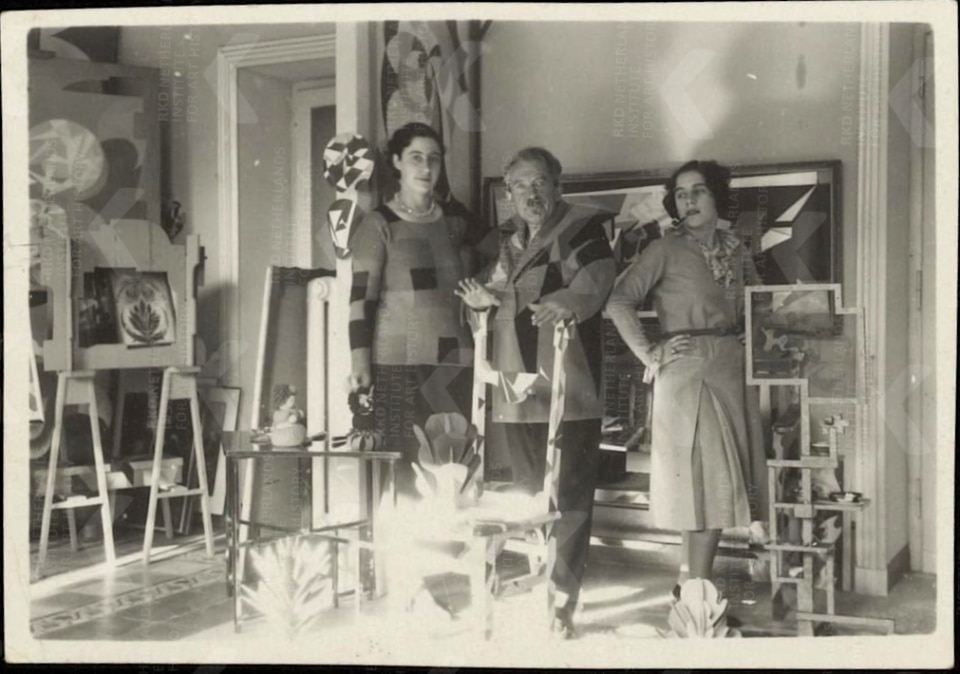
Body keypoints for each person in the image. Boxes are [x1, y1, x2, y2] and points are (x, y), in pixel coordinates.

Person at [456, 147, 616, 639]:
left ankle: (561, 604)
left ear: (557, 186)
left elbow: (597, 279)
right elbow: (482, 299)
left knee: (568, 500)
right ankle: (533, 588)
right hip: (514, 393)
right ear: (509, 194)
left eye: (540, 182)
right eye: (521, 185)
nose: (532, 193)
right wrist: (478, 304)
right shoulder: (503, 244)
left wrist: (565, 301)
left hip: (569, 389)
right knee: (526, 499)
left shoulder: (581, 228)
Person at [605, 159, 767, 598]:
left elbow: (759, 302)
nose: (689, 200)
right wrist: (650, 352)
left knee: (721, 485)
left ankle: (691, 587)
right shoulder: (664, 249)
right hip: (687, 374)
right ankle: (697, 589)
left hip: (732, 371)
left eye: (698, 191)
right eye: (681, 194)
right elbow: (618, 301)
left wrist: (755, 332)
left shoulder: (737, 249)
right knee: (701, 483)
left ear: (717, 196)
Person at [348, 122, 479, 497]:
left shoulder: (456, 220)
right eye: (415, 158)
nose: (426, 168)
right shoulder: (379, 224)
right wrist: (359, 363)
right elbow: (360, 300)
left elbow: (504, 257)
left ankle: (449, 538)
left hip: (455, 359)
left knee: (453, 467)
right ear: (396, 162)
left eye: (434, 159)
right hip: (398, 363)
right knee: (408, 471)